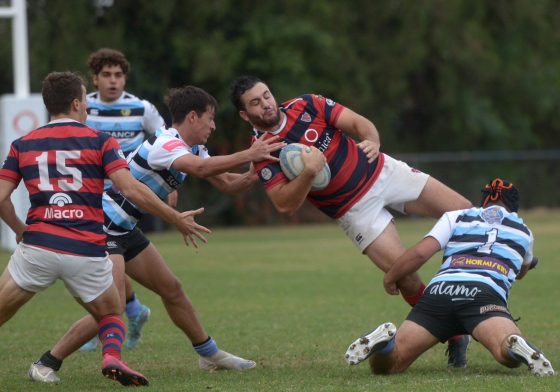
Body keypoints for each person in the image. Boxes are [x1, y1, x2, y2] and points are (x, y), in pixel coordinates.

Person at [28, 85, 285, 383]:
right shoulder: (166, 143)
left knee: (171, 288)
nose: (213, 126)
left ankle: (209, 354)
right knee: (112, 307)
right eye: (210, 118)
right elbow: (200, 169)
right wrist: (250, 152)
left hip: (125, 229)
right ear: (192, 117)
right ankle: (45, 363)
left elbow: (228, 183)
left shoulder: (195, 149)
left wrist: (256, 171)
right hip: (102, 228)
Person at [230, 75, 474, 367]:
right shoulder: (263, 150)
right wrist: (309, 172)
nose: (266, 104)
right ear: (245, 115)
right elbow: (284, 204)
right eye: (255, 103)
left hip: (383, 172)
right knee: (405, 277)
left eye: (266, 95)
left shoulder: (308, 104)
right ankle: (455, 335)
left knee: (466, 214)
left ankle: (506, 265)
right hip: (355, 211)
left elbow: (359, 123)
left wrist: (372, 140)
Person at [0, 71, 209, 386]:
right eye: (85, 101)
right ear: (77, 102)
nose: (88, 108)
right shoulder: (100, 141)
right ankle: (112, 357)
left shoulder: (23, 143)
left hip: (38, 247)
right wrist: (174, 218)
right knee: (111, 314)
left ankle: (58, 362)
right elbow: (130, 189)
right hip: (85, 248)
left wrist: (20, 230)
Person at [344, 179, 555, 377]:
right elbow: (521, 272)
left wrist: (391, 276)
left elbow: (420, 254)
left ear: (484, 201)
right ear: (513, 206)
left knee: (391, 365)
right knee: (505, 354)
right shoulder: (523, 231)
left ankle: (386, 343)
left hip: (440, 292)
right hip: (483, 295)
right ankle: (513, 343)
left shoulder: (457, 216)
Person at [82, 48, 167, 351]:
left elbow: (167, 144)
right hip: (89, 199)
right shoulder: (82, 108)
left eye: (118, 75)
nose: (113, 81)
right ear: (95, 78)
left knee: (99, 265)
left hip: (124, 199)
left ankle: (101, 324)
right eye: (106, 75)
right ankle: (131, 311)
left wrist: (170, 186)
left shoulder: (141, 108)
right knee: (107, 264)